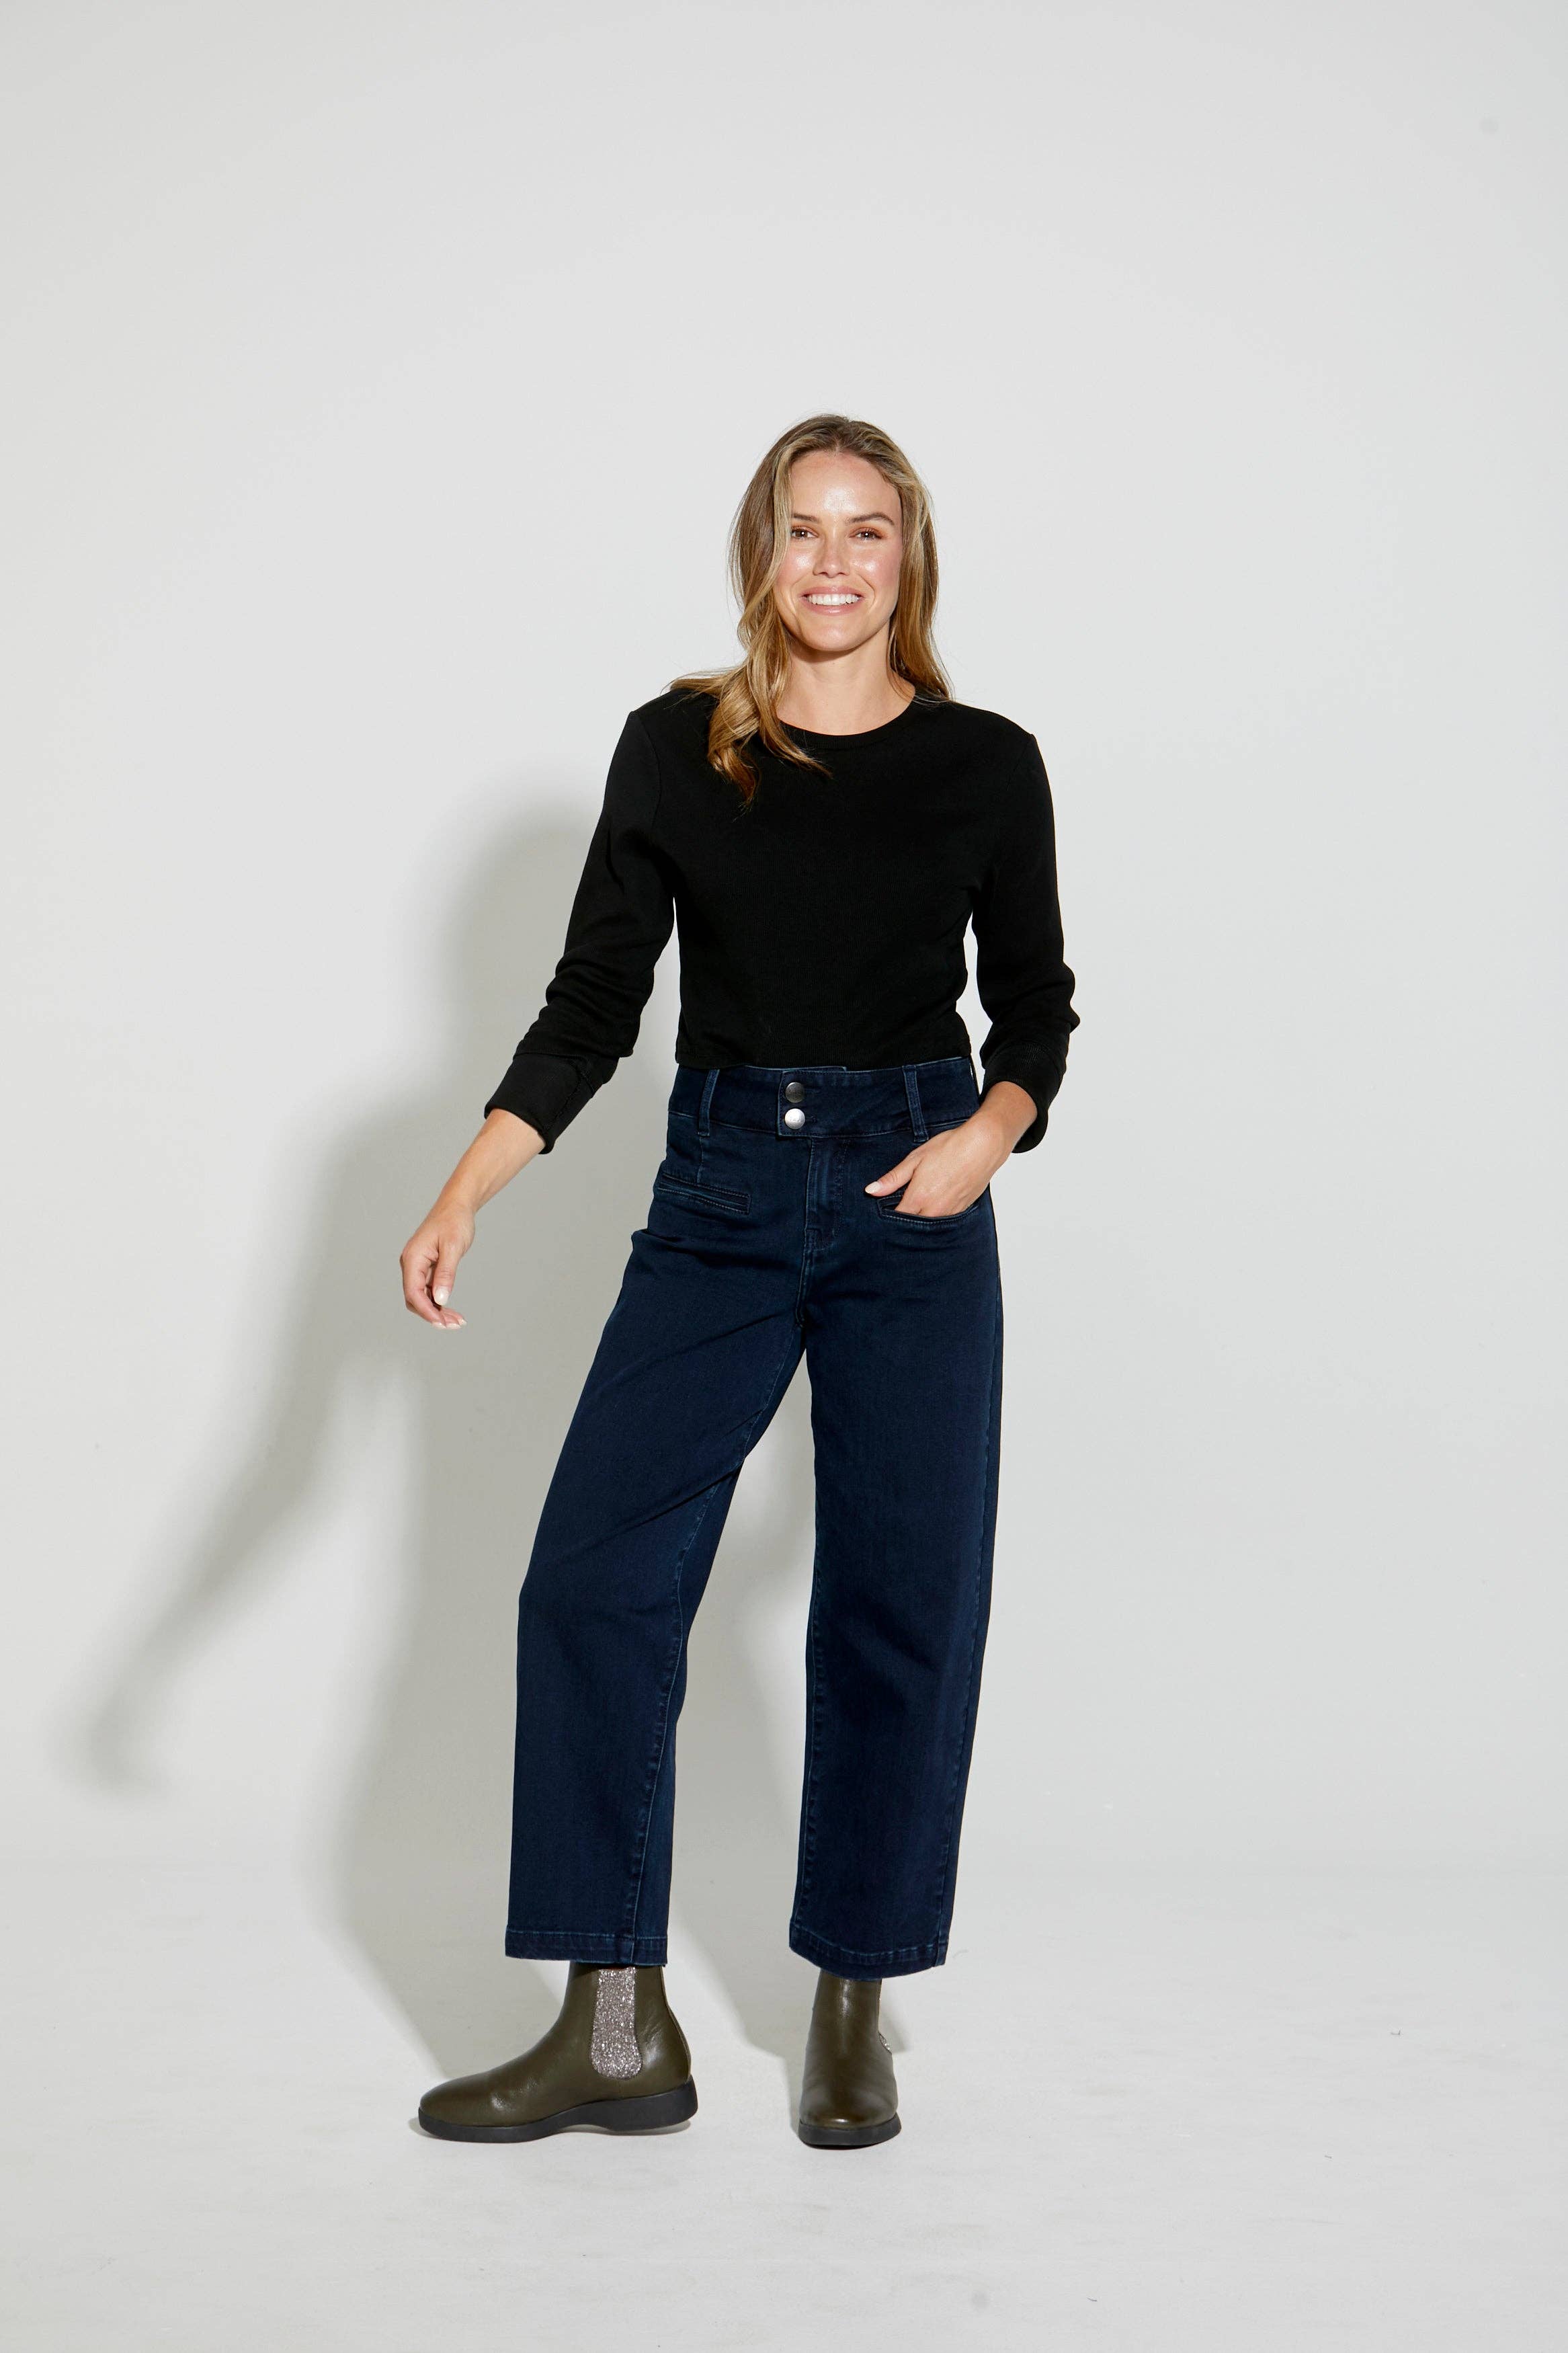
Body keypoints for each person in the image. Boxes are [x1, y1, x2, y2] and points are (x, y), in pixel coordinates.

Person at [399, 413, 1078, 2149]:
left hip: (917, 1187)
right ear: (759, 554)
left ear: (909, 559)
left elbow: (1038, 1007)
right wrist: (467, 1188)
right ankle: (616, 2026)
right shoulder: (675, 747)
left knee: (902, 1595)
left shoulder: (986, 762)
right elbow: (593, 1002)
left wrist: (990, 1132)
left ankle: (853, 2001)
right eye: (803, 528)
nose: (834, 562)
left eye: (867, 530)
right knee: (594, 1581)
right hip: (719, 1183)